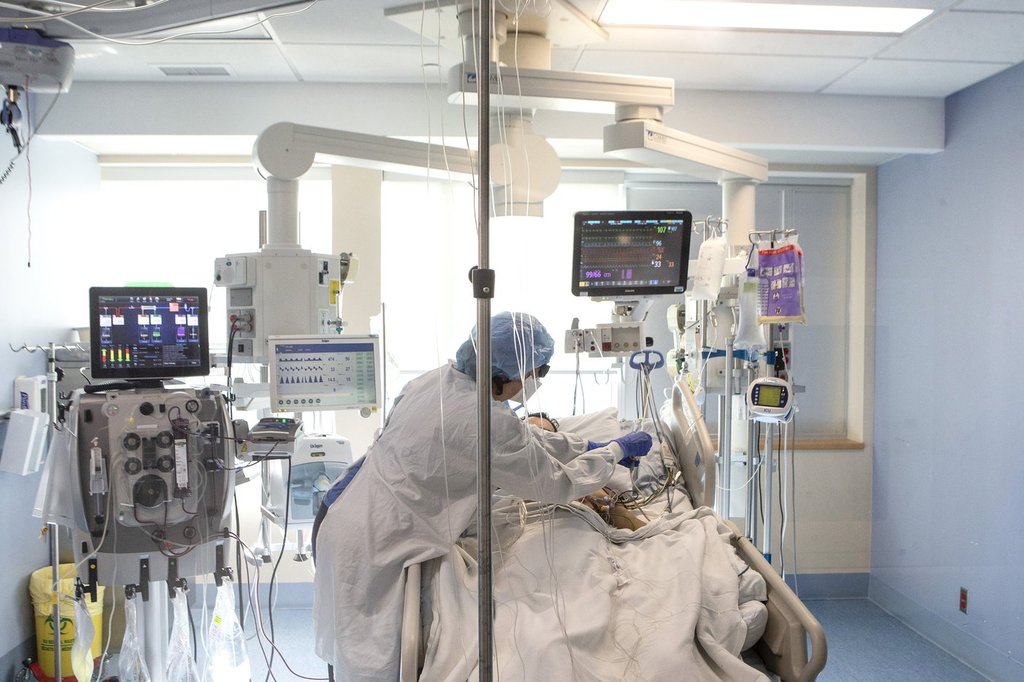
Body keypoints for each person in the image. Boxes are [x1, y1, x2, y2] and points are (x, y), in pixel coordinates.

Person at [311, 312, 652, 681]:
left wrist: (587, 445)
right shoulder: (486, 421)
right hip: (375, 540)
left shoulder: (438, 380)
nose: (535, 381)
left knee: (345, 640)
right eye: (535, 372)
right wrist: (614, 452)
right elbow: (557, 484)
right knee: (365, 651)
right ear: (502, 377)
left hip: (344, 505)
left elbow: (523, 438)